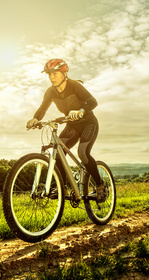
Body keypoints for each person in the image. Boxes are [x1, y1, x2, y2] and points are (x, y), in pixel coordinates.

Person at [26, 58, 105, 202]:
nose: (51, 77)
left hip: (89, 123)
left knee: (83, 153)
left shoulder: (74, 86)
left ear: (64, 73)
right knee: (58, 153)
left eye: (55, 73)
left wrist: (80, 110)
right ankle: (62, 187)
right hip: (72, 126)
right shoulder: (50, 91)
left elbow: (93, 102)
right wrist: (35, 119)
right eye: (49, 74)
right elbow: (43, 108)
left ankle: (100, 185)